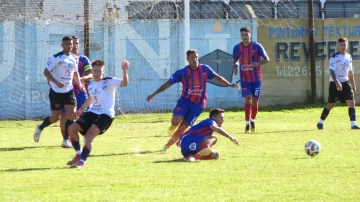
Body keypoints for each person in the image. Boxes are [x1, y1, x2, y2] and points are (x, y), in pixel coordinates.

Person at [146, 49, 239, 151]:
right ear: (187, 59)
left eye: (196, 57)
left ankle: (166, 146)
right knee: (176, 120)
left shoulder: (205, 69)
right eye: (192, 58)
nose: (195, 60)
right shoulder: (182, 72)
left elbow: (217, 77)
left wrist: (229, 84)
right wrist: (154, 94)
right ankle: (172, 125)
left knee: (183, 127)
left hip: (198, 105)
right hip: (185, 101)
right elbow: (168, 83)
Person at [66, 59, 129, 168]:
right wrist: (80, 110)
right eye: (95, 71)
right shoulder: (91, 84)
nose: (97, 73)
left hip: (105, 115)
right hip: (92, 112)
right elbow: (91, 98)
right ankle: (78, 154)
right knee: (71, 128)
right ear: (92, 72)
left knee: (89, 136)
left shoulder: (109, 81)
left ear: (102, 72)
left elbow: (124, 83)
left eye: (99, 71)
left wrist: (124, 71)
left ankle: (81, 162)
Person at [34, 36, 83, 143]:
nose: (70, 46)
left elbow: (75, 72)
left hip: (68, 91)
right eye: (67, 44)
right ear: (62, 45)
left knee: (71, 115)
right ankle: (40, 127)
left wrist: (79, 84)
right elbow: (46, 72)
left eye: (71, 44)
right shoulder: (56, 58)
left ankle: (66, 140)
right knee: (55, 118)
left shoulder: (74, 58)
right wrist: (56, 83)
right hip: (56, 91)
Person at [317, 37, 360, 130]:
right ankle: (320, 122)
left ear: (347, 45)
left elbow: (350, 72)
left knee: (351, 102)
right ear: (338, 46)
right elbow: (331, 71)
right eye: (341, 45)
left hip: (345, 82)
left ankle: (353, 124)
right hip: (334, 83)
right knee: (331, 104)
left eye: (344, 45)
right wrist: (337, 82)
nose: (343, 47)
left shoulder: (349, 56)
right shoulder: (334, 57)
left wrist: (353, 85)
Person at [233, 27, 269, 134]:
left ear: (250, 35)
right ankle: (247, 123)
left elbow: (267, 59)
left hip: (256, 78)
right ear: (241, 36)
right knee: (247, 99)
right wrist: (235, 66)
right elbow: (235, 60)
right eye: (242, 35)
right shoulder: (237, 48)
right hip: (245, 79)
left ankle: (253, 120)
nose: (244, 37)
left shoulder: (257, 46)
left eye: (246, 35)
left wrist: (258, 63)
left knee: (255, 101)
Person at [59, 36, 93, 148]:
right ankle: (66, 140)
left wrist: (81, 79)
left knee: (85, 114)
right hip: (66, 92)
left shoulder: (83, 59)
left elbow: (91, 74)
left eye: (77, 43)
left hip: (80, 91)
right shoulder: (63, 59)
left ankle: (86, 137)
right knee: (64, 115)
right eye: (73, 43)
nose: (75, 45)